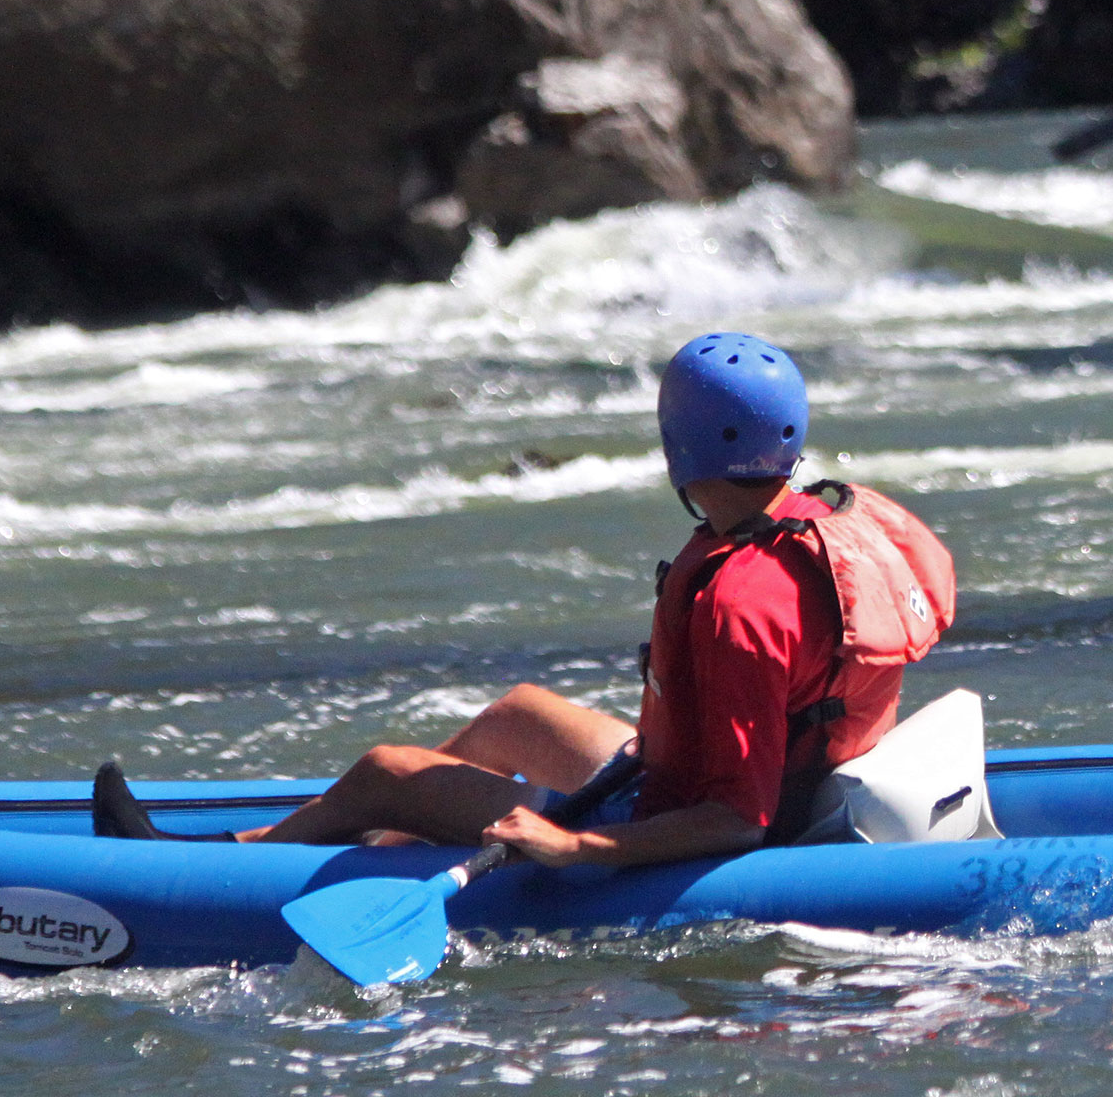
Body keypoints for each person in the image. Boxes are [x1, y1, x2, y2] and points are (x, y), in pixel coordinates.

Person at [91, 333, 956, 869]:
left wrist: (576, 845)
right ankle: (390, 843)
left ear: (679, 448)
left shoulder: (740, 604)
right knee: (518, 716)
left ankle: (214, 868)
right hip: (752, 780)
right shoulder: (831, 524)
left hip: (686, 825)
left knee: (385, 769)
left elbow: (737, 819)